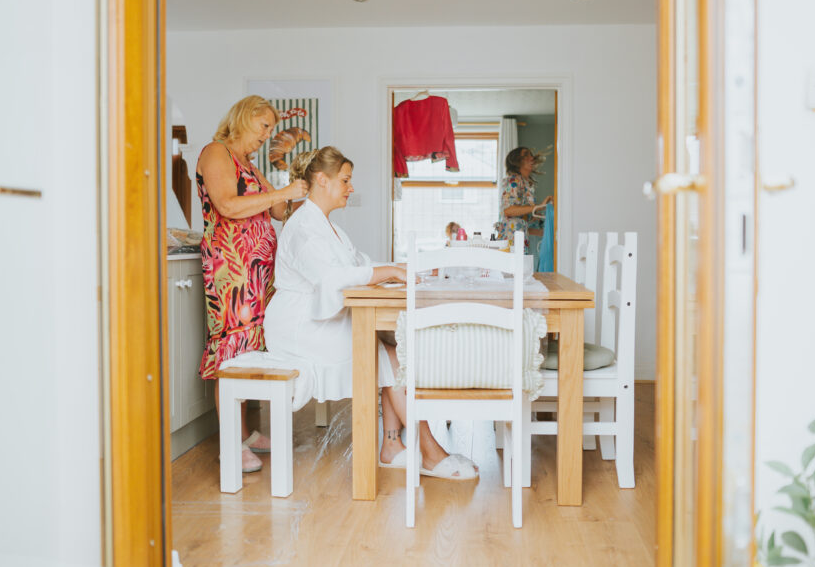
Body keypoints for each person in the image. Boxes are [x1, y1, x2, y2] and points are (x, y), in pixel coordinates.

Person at [264, 146, 479, 480]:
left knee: (392, 351)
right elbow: (331, 279)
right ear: (322, 180)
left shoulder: (327, 226)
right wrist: (391, 272)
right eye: (346, 180)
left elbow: (359, 264)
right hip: (299, 328)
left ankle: (394, 447)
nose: (351, 188)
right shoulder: (304, 228)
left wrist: (405, 267)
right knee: (390, 358)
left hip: (317, 321)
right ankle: (429, 452)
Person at [196, 95, 308, 473]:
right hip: (232, 270)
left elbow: (275, 210)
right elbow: (227, 205)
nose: (267, 135)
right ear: (244, 119)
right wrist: (282, 193)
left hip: (258, 273)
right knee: (232, 349)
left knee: (251, 348)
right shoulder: (217, 153)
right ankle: (230, 443)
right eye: (264, 126)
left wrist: (300, 190)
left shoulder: (249, 165)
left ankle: (244, 435)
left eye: (271, 129)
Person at [493, 146, 553, 253]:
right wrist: (537, 207)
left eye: (531, 155)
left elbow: (523, 221)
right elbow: (508, 211)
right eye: (526, 155)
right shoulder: (514, 180)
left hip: (520, 241)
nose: (531, 158)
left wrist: (546, 233)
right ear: (517, 161)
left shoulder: (526, 185)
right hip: (510, 243)